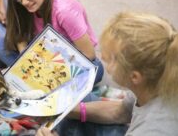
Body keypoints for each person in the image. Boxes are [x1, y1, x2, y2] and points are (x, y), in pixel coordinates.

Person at [37, 12, 178, 136]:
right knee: (77, 99)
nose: (102, 58)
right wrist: (67, 110)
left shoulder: (154, 130)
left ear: (135, 77)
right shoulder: (154, 80)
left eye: (111, 58)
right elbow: (120, 112)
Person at [4, 0, 103, 83]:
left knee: (92, 75)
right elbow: (20, 34)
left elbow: (89, 54)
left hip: (74, 60)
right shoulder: (22, 3)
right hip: (44, 52)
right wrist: (25, 56)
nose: (24, 2)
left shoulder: (64, 11)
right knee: (0, 44)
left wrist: (50, 66)